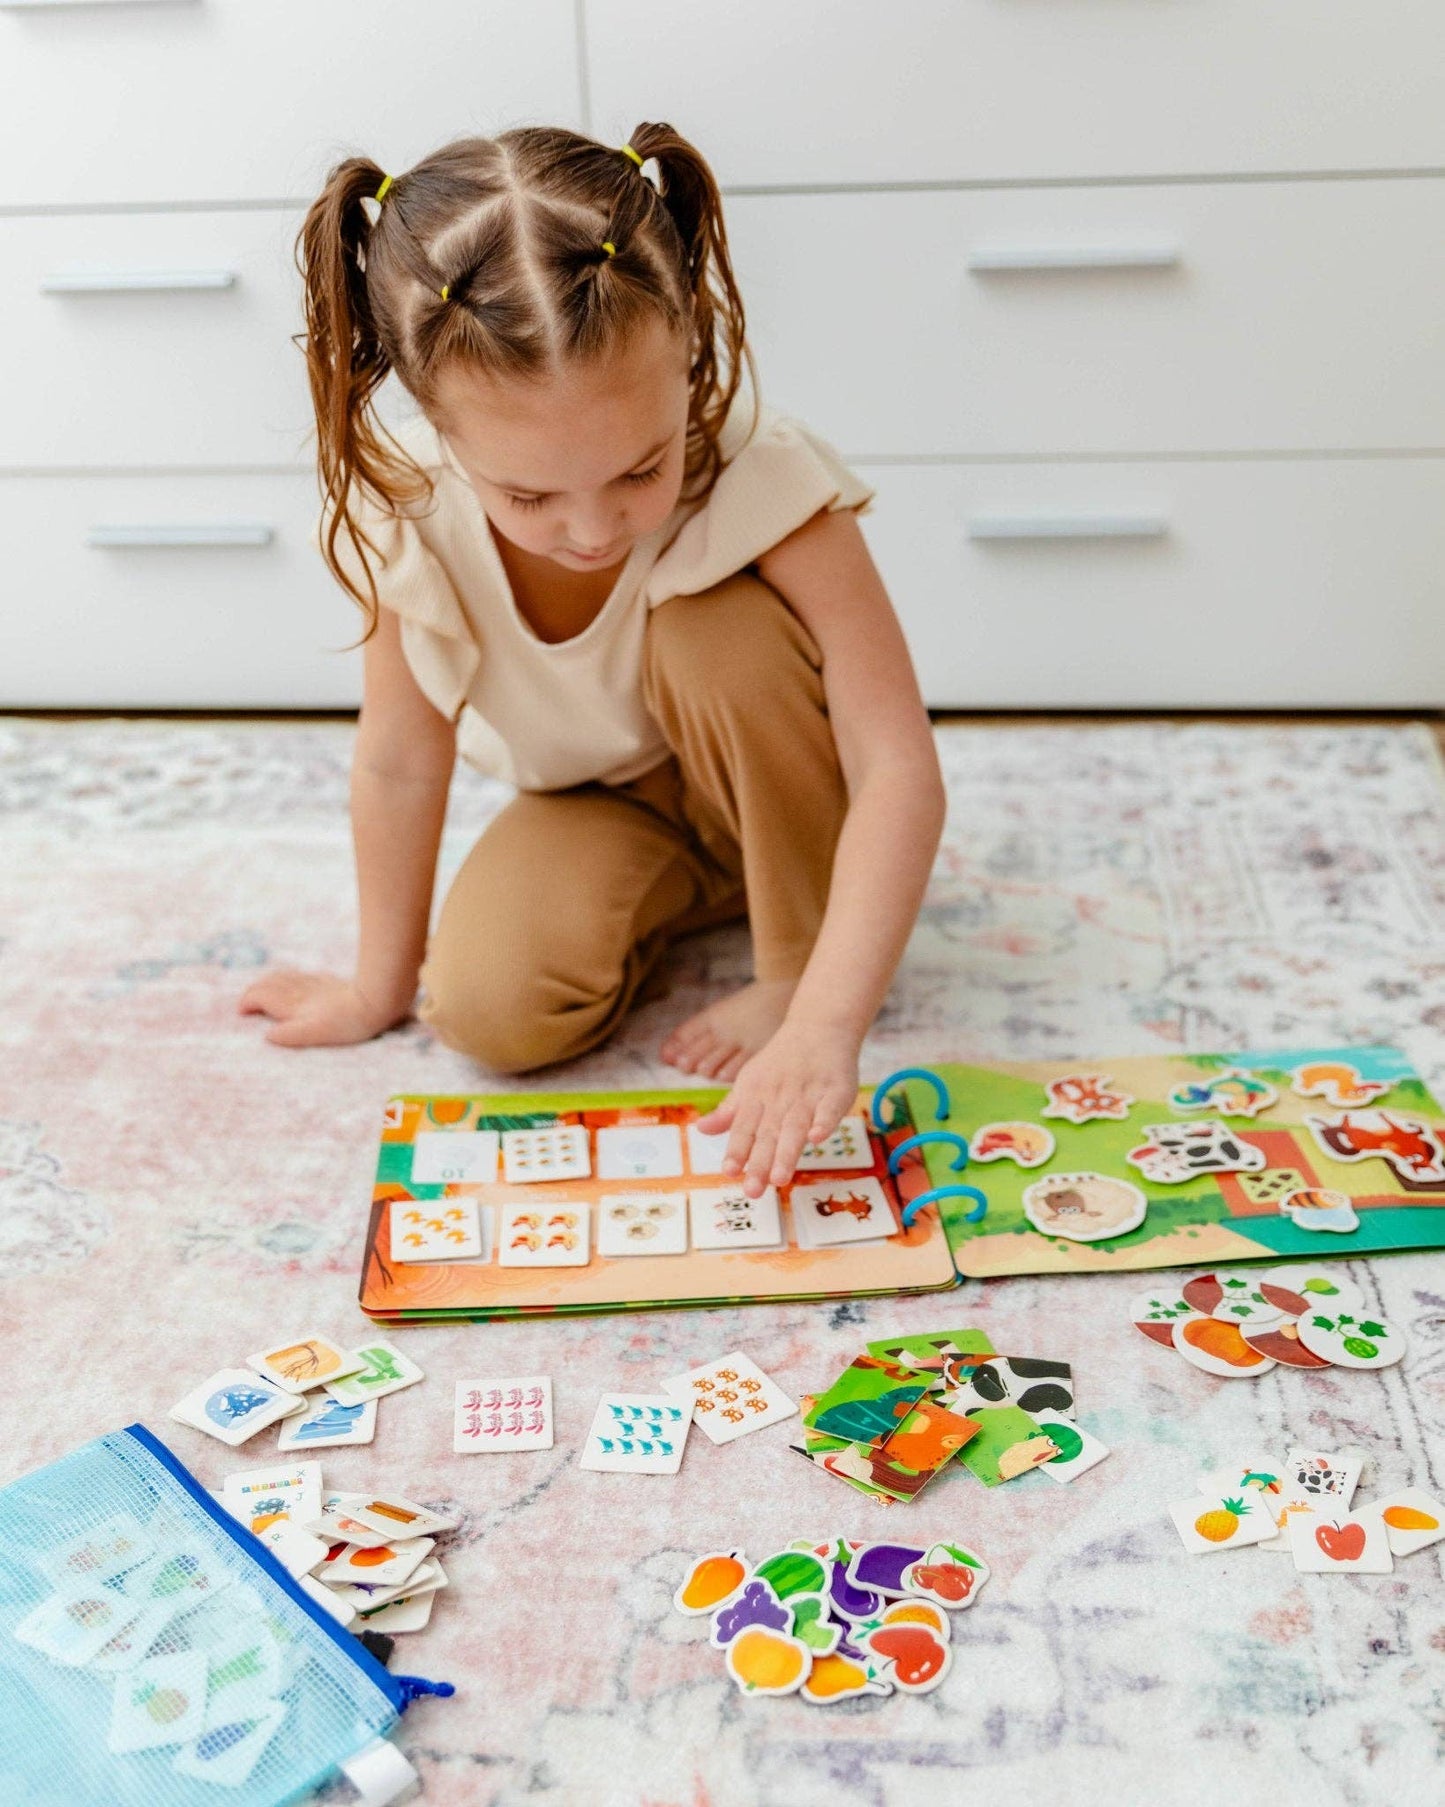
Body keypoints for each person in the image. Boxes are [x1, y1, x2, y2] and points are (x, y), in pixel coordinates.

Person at [240, 124, 944, 1195]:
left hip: (769, 770)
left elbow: (895, 760)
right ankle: (702, 894)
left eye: (639, 469)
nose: (590, 528)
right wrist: (378, 984)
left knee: (717, 636)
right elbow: (396, 758)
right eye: (526, 495)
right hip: (604, 804)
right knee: (484, 1012)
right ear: (436, 422)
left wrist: (818, 1016)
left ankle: (796, 937)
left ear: (689, 349)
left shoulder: (758, 466)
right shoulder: (411, 514)